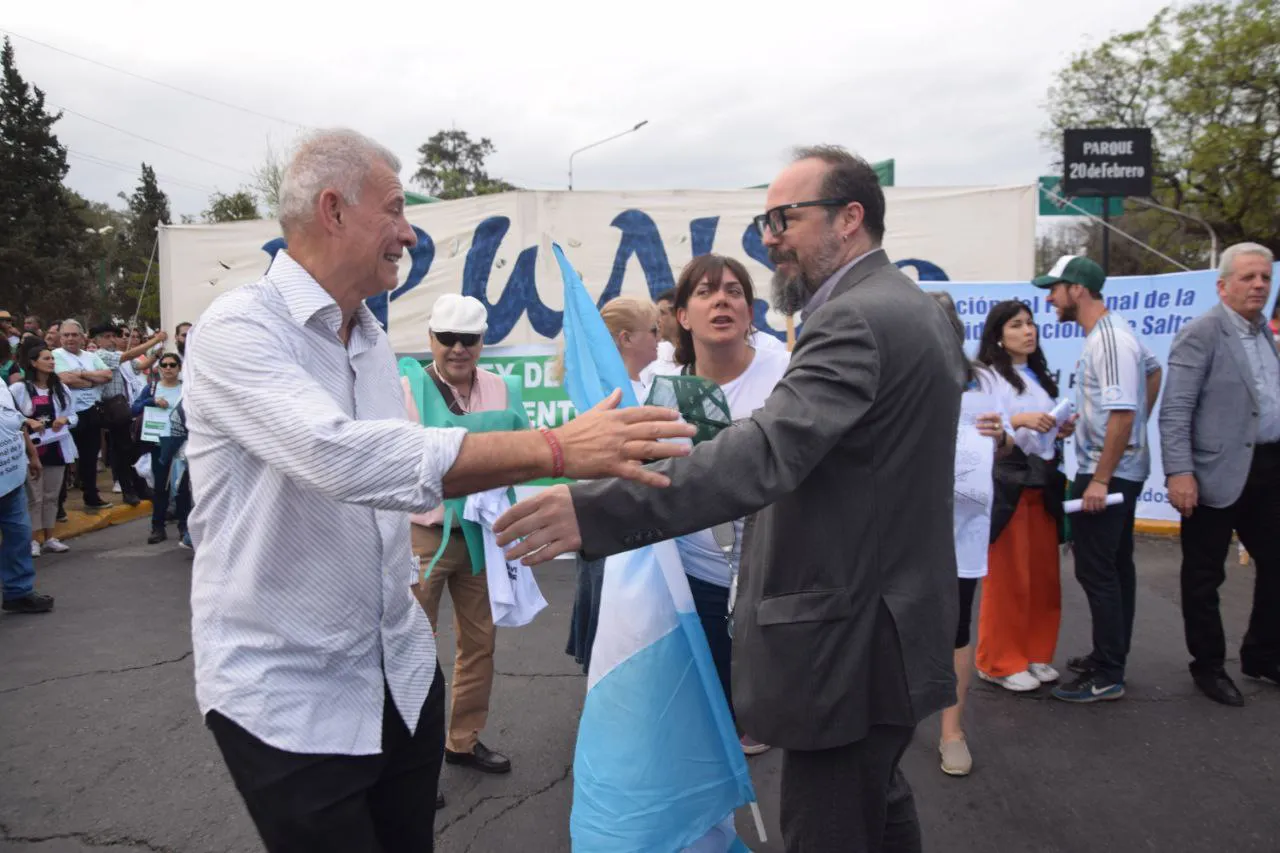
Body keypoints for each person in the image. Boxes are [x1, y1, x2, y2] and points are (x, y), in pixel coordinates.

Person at [184, 127, 693, 853]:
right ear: (333, 209)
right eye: (394, 209)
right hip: (289, 697)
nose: (409, 232)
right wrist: (555, 448)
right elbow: (340, 457)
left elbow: (397, 475)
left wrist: (549, 483)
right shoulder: (239, 329)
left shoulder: (368, 338)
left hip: (399, 671)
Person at [498, 145, 966, 852]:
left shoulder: (854, 319)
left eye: (784, 218)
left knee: (832, 826)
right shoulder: (907, 305)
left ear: (849, 217)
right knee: (878, 806)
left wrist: (595, 508)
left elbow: (767, 453)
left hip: (854, 638)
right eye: (764, 220)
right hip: (888, 625)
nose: (769, 237)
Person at [654, 254, 791, 758]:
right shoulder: (660, 384)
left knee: (764, 704)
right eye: (706, 292)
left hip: (774, 573)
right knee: (710, 709)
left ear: (750, 311)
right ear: (683, 316)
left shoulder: (786, 374)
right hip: (696, 571)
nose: (722, 301)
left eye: (734, 291)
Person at [402, 293, 522, 779]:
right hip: (422, 536)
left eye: (467, 339)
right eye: (448, 338)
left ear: (481, 341)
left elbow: (517, 452)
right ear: (431, 338)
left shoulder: (502, 389)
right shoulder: (407, 388)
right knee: (411, 649)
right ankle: (414, 761)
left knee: (480, 644)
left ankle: (463, 741)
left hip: (479, 536)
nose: (457, 348)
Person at [1036, 255, 1162, 704]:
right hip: (1117, 469)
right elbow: (1153, 372)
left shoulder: (1109, 340)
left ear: (1078, 289)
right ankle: (1110, 656)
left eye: (1055, 289)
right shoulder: (1112, 333)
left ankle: (1108, 673)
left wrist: (1101, 479)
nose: (1050, 299)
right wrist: (1108, 426)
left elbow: (1123, 414)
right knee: (1115, 566)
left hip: (1107, 474)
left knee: (1096, 571)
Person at [1159, 242, 1279, 706]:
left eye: (1265, 277)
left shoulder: (1263, 331)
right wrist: (1179, 472)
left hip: (1267, 468)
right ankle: (1208, 666)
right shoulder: (1202, 333)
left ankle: (1262, 655)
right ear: (1222, 285)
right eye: (1249, 277)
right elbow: (1176, 409)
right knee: (1205, 576)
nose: (1259, 285)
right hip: (1213, 474)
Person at [930, 292, 1009, 777]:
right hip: (905, 526)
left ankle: (951, 731)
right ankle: (885, 722)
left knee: (956, 626)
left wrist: (1000, 437)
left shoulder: (982, 379)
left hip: (962, 524)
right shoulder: (893, 373)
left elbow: (1001, 440)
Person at [973, 300, 1069, 693]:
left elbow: (1040, 430)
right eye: (1016, 325)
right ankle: (998, 661)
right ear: (998, 334)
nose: (1028, 331)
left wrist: (1058, 426)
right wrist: (1020, 420)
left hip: (1041, 482)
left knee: (1043, 577)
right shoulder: (986, 376)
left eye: (1030, 323)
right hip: (1007, 483)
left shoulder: (1038, 374)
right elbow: (978, 426)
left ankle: (1034, 651)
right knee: (1009, 576)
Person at [564, 296, 659, 674]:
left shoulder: (641, 385)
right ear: (626, 339)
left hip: (619, 523)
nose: (660, 339)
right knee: (613, 642)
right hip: (614, 524)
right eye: (653, 331)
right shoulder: (613, 394)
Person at [90, 324, 168, 506]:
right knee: (122, 450)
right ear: (97, 340)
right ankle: (128, 489)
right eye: (107, 336)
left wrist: (156, 355)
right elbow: (128, 356)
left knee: (130, 449)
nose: (112, 339)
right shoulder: (101, 355)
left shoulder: (117, 355)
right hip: (111, 407)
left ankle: (139, 487)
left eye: (113, 336)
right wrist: (155, 340)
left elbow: (140, 366)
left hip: (123, 405)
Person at [11, 345, 77, 556]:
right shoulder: (19, 389)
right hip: (32, 449)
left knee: (51, 496)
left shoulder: (60, 388)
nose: (51, 362)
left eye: (52, 358)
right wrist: (28, 421)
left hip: (57, 447)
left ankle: (49, 537)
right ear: (33, 362)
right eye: (46, 358)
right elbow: (10, 415)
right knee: (34, 497)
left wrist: (65, 419)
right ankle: (33, 539)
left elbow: (74, 415)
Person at [1, 385, 52, 613]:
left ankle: (18, 592)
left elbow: (17, 422)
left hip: (11, 478)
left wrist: (32, 455)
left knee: (20, 536)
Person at [53, 320, 114, 510]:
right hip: (67, 413)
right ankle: (59, 504)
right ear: (60, 337)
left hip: (91, 411)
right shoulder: (56, 355)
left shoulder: (90, 356)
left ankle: (91, 496)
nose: (70, 338)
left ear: (82, 337)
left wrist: (81, 374)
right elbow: (64, 378)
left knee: (89, 456)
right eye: (66, 335)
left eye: (74, 334)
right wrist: (92, 379)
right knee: (64, 458)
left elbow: (107, 375)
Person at [132, 353, 190, 545]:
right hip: (158, 445)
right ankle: (158, 527)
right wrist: (152, 401)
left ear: (179, 368)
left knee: (182, 489)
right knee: (160, 488)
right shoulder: (152, 388)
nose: (168, 368)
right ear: (159, 368)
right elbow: (134, 408)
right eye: (164, 365)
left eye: (172, 365)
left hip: (182, 446)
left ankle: (184, 528)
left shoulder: (187, 388)